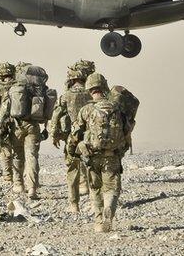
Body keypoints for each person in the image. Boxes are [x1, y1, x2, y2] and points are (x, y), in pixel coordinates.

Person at [71, 73, 130, 232]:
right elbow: (126, 131)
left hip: (92, 156)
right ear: (104, 87)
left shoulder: (86, 109)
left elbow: (75, 133)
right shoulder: (117, 108)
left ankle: (98, 222)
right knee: (111, 188)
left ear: (90, 90)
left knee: (95, 188)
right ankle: (109, 209)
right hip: (112, 156)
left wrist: (74, 149)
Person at [49, 60, 95, 213]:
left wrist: (54, 135)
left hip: (73, 138)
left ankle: (74, 205)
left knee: (72, 171)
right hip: (92, 138)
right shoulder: (93, 93)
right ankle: (95, 203)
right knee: (94, 169)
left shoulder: (66, 95)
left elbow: (56, 115)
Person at [0, 63, 50, 199]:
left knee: (17, 155)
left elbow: (5, 107)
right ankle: (32, 188)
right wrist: (46, 128)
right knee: (32, 157)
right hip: (33, 127)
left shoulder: (15, 87)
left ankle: (18, 184)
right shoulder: (39, 89)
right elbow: (46, 110)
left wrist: (1, 125)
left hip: (17, 126)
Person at [0, 62, 20, 184]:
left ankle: (7, 177)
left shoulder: (1, 87)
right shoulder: (21, 86)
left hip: (6, 123)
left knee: (4, 148)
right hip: (21, 123)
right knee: (19, 150)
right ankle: (19, 178)